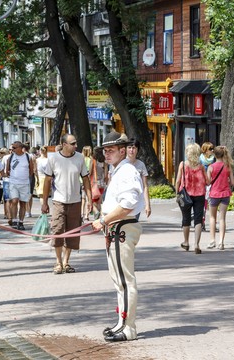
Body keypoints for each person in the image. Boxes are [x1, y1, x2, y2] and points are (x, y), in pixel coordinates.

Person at [91, 131, 144, 342]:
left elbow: (128, 204)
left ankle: (128, 327)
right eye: (105, 150)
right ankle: (122, 322)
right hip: (117, 228)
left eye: (111, 150)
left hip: (122, 227)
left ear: (123, 151)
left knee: (125, 280)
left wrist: (103, 220)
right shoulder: (119, 170)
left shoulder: (127, 171)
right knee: (120, 280)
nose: (107, 154)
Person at [42, 134, 92, 275]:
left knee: (73, 232)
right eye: (73, 143)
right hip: (58, 200)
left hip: (75, 201)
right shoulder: (53, 158)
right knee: (58, 230)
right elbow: (47, 181)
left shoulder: (79, 158)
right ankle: (58, 262)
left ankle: (66, 262)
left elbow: (86, 179)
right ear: (64, 144)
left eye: (76, 143)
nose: (76, 146)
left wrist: (89, 199)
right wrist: (44, 202)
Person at [175, 143, 210, 253]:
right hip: (199, 195)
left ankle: (186, 242)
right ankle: (197, 244)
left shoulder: (183, 165)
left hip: (186, 195)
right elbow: (208, 181)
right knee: (198, 219)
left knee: (186, 219)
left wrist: (177, 193)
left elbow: (177, 181)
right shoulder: (201, 166)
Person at [206, 146, 234, 250]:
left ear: (214, 155)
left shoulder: (211, 167)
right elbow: (233, 182)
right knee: (223, 218)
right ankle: (221, 242)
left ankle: (212, 240)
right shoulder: (228, 166)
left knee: (212, 217)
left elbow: (208, 182)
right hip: (225, 193)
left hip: (214, 194)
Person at [5, 141, 34, 230]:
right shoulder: (11, 157)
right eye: (12, 148)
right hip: (13, 182)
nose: (12, 149)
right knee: (14, 201)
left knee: (23, 203)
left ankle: (21, 222)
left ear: (20, 148)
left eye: (14, 148)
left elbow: (31, 170)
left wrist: (25, 177)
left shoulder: (27, 157)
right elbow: (7, 170)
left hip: (24, 183)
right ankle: (14, 220)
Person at [126, 140, 152, 219]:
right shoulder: (121, 163)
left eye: (134, 148)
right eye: (129, 147)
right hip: (123, 200)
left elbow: (145, 186)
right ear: (126, 149)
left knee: (133, 226)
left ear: (137, 150)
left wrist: (147, 205)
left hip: (136, 201)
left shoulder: (141, 165)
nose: (131, 150)